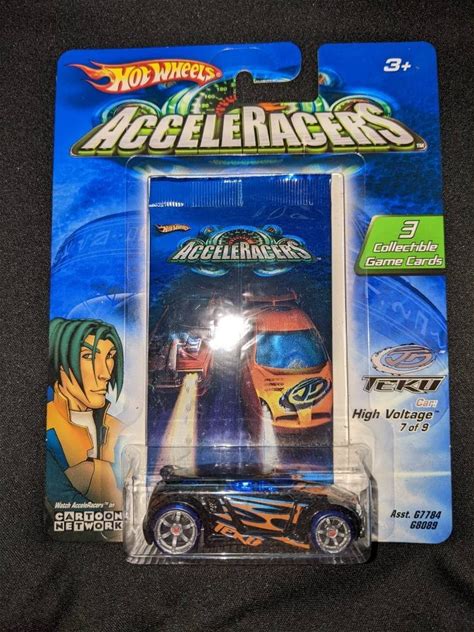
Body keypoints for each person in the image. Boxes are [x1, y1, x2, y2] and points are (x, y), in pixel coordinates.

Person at [46, 318, 125, 508]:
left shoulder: (118, 429)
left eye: (110, 356)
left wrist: (93, 472)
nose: (105, 374)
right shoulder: (48, 431)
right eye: (88, 356)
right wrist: (99, 474)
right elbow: (59, 502)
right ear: (59, 363)